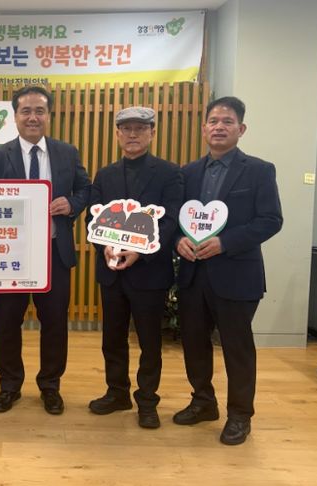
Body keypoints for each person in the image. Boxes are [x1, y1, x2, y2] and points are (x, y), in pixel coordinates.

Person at [173, 96, 283, 445]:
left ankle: (240, 415)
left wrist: (225, 242)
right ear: (203, 128)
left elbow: (270, 220)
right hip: (193, 274)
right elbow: (175, 219)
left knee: (237, 347)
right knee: (193, 343)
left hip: (237, 275)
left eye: (228, 121)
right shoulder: (187, 172)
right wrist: (178, 240)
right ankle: (203, 401)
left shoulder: (259, 170)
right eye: (214, 121)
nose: (219, 127)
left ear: (241, 128)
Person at [0, 86, 91, 415]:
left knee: (55, 323)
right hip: (10, 255)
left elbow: (86, 189)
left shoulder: (67, 153)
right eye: (26, 111)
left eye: (39, 111)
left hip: (54, 253)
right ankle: (9, 385)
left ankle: (50, 386)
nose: (33, 117)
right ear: (15, 116)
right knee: (7, 322)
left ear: (49, 115)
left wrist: (71, 204)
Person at [86, 107, 183, 429]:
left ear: (152, 133)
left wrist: (139, 251)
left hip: (149, 272)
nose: (132, 134)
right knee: (112, 339)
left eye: (140, 128)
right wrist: (105, 246)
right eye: (126, 128)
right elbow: (92, 219)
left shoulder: (169, 173)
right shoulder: (105, 175)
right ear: (117, 134)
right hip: (112, 270)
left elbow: (170, 221)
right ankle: (117, 393)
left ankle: (147, 400)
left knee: (149, 341)